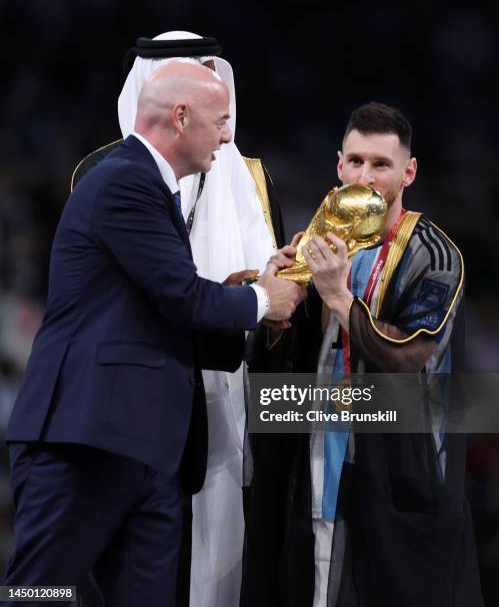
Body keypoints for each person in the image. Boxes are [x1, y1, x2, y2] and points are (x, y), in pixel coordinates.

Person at [3, 62, 305, 607]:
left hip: (148, 451)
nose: (229, 135)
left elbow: (160, 311)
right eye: (221, 120)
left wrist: (250, 295)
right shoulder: (123, 180)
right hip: (85, 439)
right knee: (41, 593)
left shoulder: (150, 190)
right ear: (181, 117)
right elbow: (180, 295)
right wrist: (262, 300)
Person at [71, 30, 287, 607]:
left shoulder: (247, 176)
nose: (226, 130)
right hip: (120, 408)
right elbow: (169, 293)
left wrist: (273, 287)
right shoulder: (110, 173)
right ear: (174, 105)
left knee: (173, 567)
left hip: (205, 406)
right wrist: (257, 300)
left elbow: (257, 275)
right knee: (54, 581)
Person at [242, 102, 483, 606]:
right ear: (338, 166)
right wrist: (276, 295)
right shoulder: (318, 243)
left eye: (380, 164)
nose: (365, 176)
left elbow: (408, 357)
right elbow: (275, 355)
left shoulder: (435, 254)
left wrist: (337, 297)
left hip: (400, 473)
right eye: (355, 161)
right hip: (315, 463)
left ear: (408, 172)